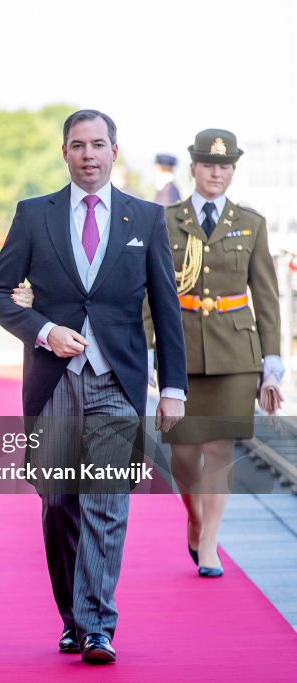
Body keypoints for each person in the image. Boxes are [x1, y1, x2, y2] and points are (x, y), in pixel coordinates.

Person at [0, 110, 187, 664]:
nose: (89, 155)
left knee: (106, 501)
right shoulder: (33, 215)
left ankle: (98, 625)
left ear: (114, 151)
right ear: (65, 152)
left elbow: (166, 308)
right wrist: (44, 331)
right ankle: (72, 619)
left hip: (117, 382)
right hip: (52, 383)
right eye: (78, 145)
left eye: (98, 145)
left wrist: (173, 387)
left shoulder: (145, 218)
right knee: (59, 503)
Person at [156, 129, 282, 577]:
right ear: (193, 168)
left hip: (235, 352)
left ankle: (210, 543)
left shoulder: (251, 222)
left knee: (219, 449)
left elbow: (265, 296)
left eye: (225, 165)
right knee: (185, 455)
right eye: (209, 165)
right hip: (182, 347)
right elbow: (151, 290)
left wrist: (272, 361)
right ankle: (195, 518)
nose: (217, 172)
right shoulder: (165, 219)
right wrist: (153, 341)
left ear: (232, 170)